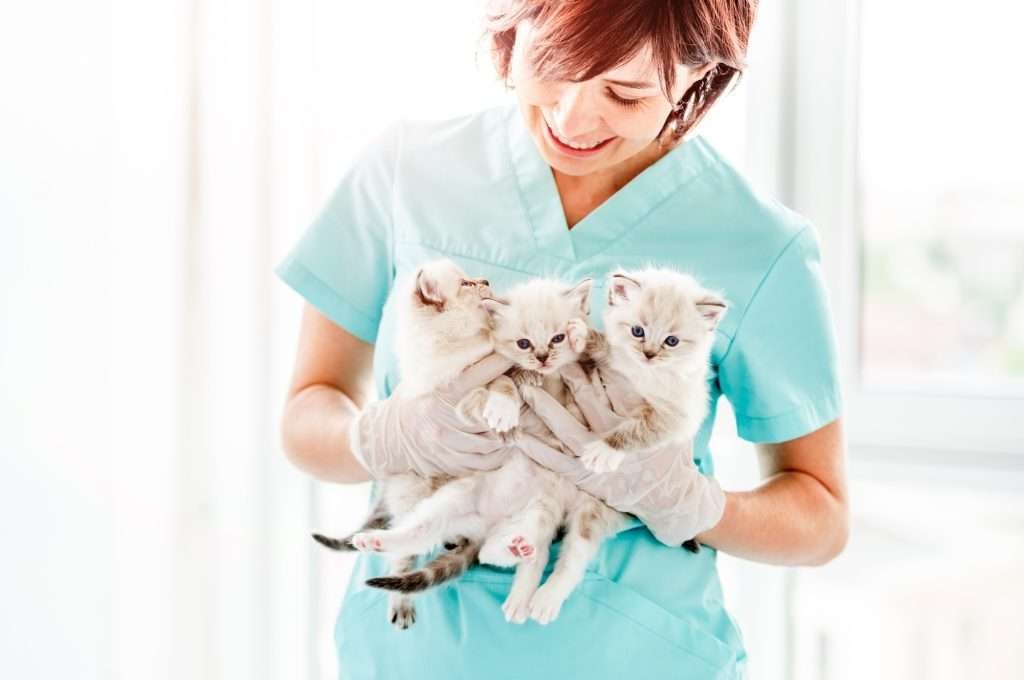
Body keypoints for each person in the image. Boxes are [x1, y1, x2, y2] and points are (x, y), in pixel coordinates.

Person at [276, 0, 849, 677]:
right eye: (549, 65)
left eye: (625, 93)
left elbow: (821, 519)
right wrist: (382, 436)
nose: (573, 118)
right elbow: (307, 412)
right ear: (510, 31)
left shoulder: (757, 244)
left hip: (637, 657)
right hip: (411, 652)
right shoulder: (408, 172)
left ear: (700, 71)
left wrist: (691, 503)